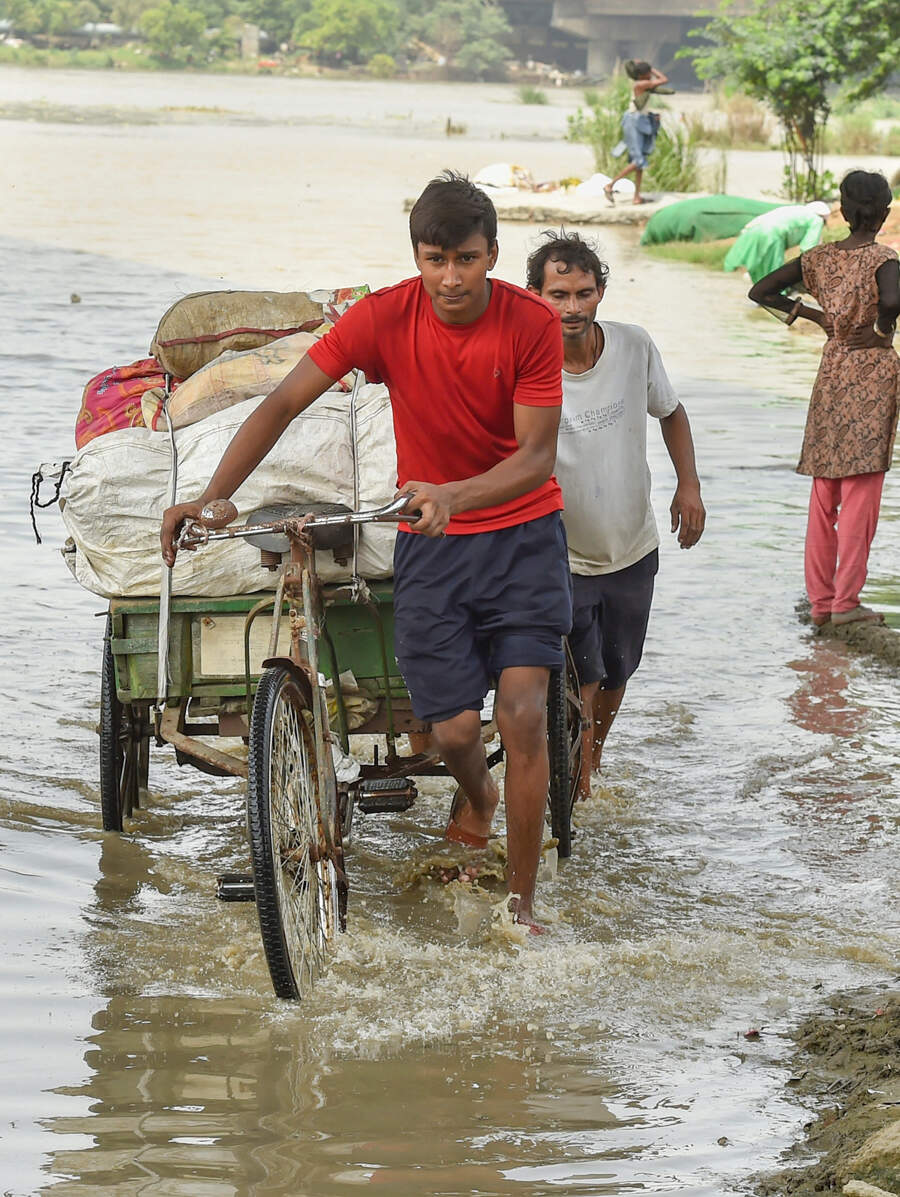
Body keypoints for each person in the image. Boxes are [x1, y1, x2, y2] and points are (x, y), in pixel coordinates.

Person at [160, 172, 572, 932]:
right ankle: (477, 795)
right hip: (433, 546)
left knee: (522, 713)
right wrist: (217, 496)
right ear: (416, 254)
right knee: (450, 730)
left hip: (521, 539)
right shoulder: (386, 316)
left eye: (469, 260)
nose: (452, 278)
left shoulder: (530, 324)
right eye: (435, 258)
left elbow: (535, 458)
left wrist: (455, 493)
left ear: (494, 255)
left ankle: (523, 907)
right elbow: (283, 401)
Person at [526, 231, 705, 797]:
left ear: (601, 291)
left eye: (583, 293)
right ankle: (575, 780)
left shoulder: (633, 346)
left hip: (631, 543)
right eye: (558, 295)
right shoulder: (526, 366)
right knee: (585, 672)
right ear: (534, 296)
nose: (572, 308)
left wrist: (690, 487)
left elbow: (671, 412)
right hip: (562, 552)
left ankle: (593, 759)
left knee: (620, 668)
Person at [748, 170, 900, 627]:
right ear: (886, 213)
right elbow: (892, 301)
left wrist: (815, 317)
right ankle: (846, 603)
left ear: (842, 211)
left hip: (832, 369)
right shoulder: (884, 258)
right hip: (872, 372)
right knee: (861, 491)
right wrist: (881, 331)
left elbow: (761, 290)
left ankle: (821, 603)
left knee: (825, 491)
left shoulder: (818, 258)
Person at [604, 60, 669, 207]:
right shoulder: (640, 84)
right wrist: (652, 68)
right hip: (634, 122)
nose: (650, 76)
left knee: (640, 161)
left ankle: (636, 196)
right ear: (643, 75)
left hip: (641, 120)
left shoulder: (642, 84)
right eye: (648, 74)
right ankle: (610, 185)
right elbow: (664, 80)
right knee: (638, 161)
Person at [724, 201, 830, 284]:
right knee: (774, 276)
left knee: (755, 270)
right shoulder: (816, 219)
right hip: (773, 235)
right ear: (823, 218)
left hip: (752, 230)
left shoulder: (797, 210)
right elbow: (808, 247)